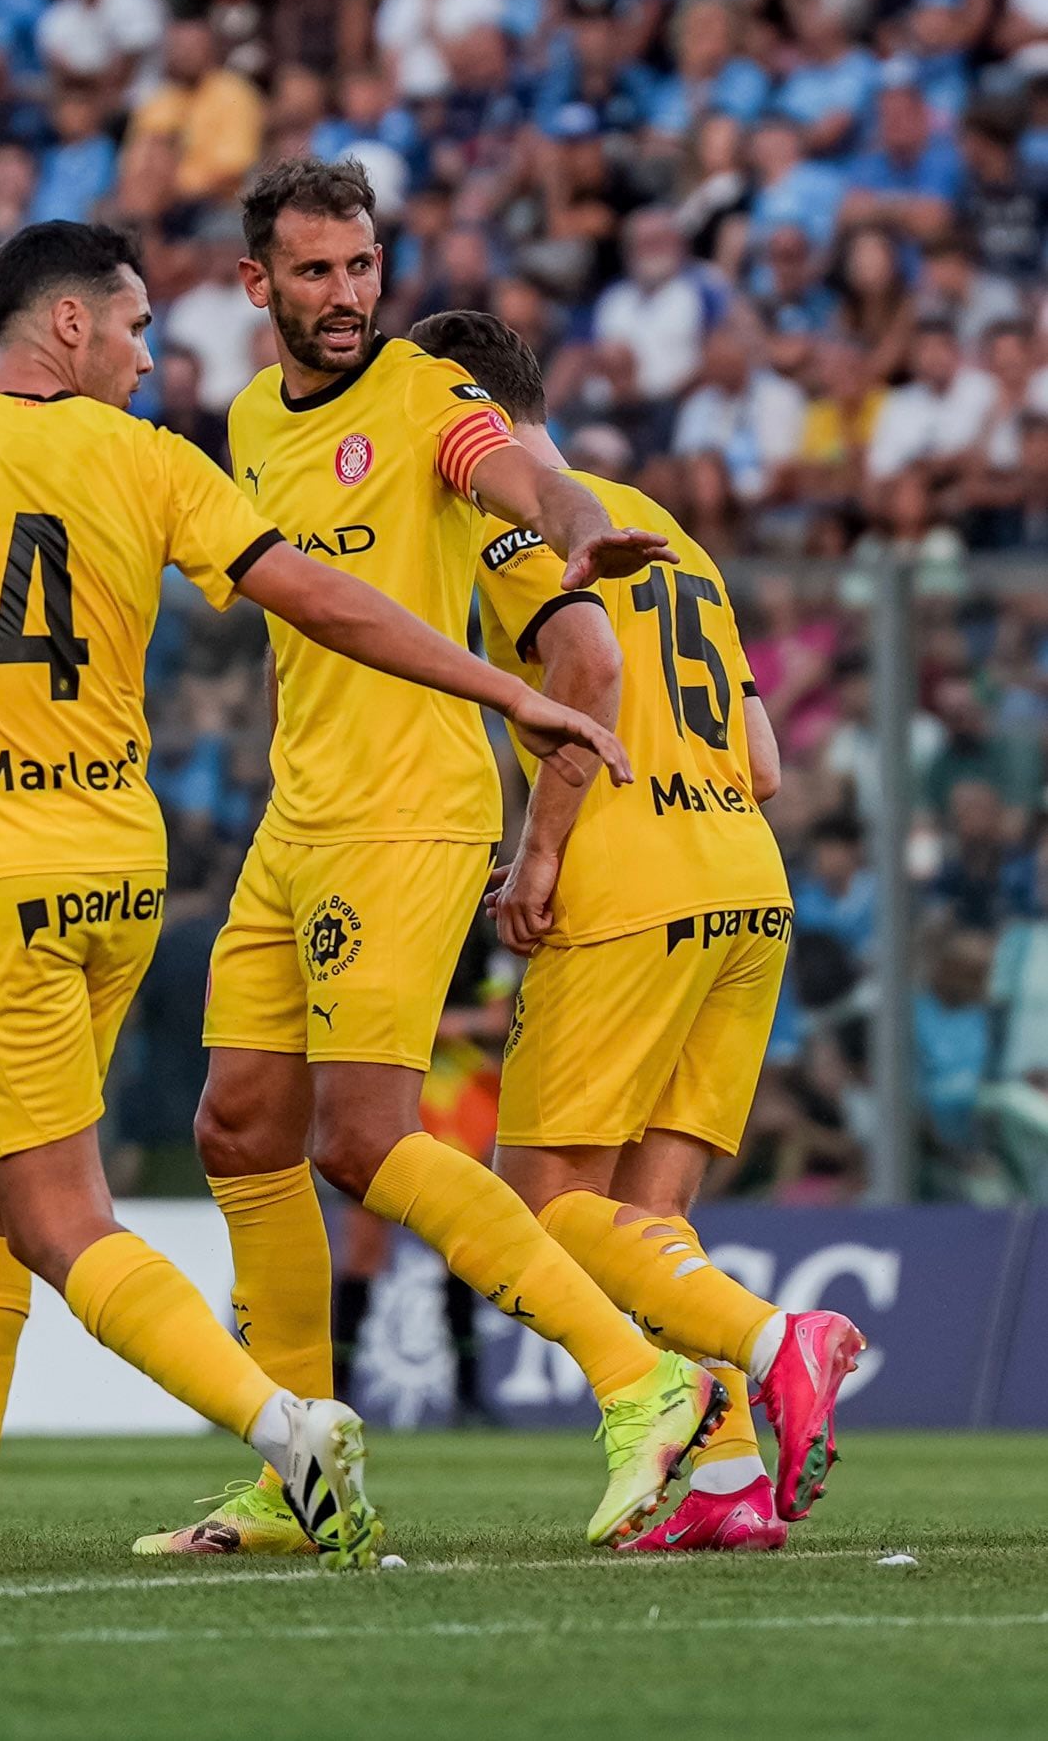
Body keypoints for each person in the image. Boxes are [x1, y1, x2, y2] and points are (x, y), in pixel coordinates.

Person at [0, 217, 631, 1580]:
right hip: (121, 872)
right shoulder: (161, 461)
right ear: (66, 324)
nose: (148, 355)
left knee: (58, 1216)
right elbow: (326, 601)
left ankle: (284, 1426)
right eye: (135, 326)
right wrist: (502, 690)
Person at [137, 157, 723, 1562]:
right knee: (236, 1126)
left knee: (360, 1138)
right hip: (296, 817)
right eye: (316, 271)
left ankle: (641, 1380)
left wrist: (578, 527)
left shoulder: (423, 392)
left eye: (362, 265)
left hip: (409, 812)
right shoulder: (247, 421)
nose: (346, 295)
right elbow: (287, 621)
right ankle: (296, 1470)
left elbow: (519, 473)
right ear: (256, 283)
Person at [413, 309, 868, 1548]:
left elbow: (588, 669)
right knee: (646, 1224)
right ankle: (726, 1481)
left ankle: (776, 1338)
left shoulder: (510, 523)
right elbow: (763, 761)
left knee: (539, 1205)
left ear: (461, 409)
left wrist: (539, 849)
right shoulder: (673, 535)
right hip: (743, 877)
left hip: (628, 886)